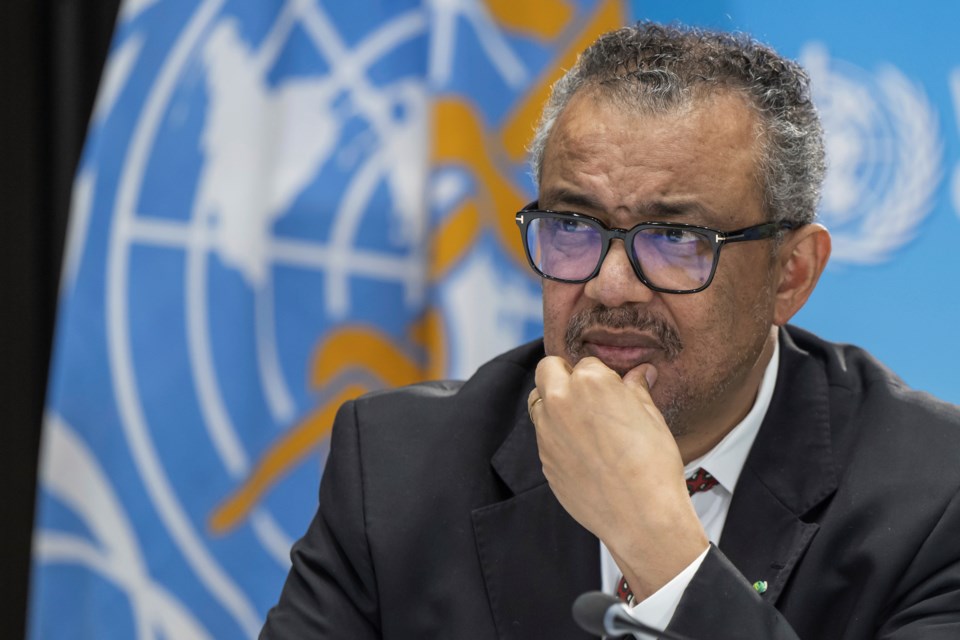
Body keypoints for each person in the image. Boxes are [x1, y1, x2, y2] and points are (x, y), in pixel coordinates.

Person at [260, 22, 960, 639]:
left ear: (791, 275)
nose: (609, 286)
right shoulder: (396, 470)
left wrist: (661, 549)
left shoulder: (934, 497)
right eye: (572, 226)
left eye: (676, 238)